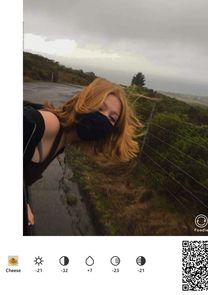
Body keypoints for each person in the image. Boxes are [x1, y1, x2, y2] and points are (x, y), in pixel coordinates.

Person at [23, 77, 144, 235]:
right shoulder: (48, 124)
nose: (103, 118)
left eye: (112, 118)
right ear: (84, 103)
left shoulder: (63, 139)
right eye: (100, 108)